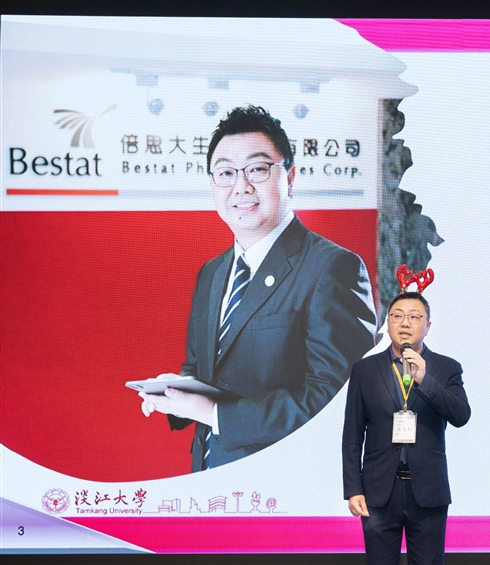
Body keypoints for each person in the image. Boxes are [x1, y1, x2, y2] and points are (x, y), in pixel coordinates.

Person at [139, 105, 377, 472]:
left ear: (290, 178)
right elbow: (202, 367)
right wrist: (178, 391)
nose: (241, 186)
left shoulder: (332, 267)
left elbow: (338, 398)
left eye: (257, 169)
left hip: (287, 482)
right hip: (210, 477)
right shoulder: (212, 273)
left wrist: (216, 414)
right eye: (226, 173)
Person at [342, 289, 470, 565]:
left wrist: (426, 380)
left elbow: (461, 415)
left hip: (428, 490)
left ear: (428, 326)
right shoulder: (364, 370)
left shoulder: (447, 368)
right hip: (377, 491)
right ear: (387, 323)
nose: (405, 323)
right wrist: (353, 488)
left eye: (414, 317)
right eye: (397, 316)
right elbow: (352, 434)